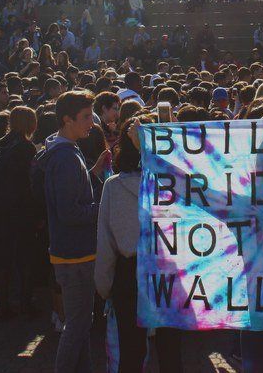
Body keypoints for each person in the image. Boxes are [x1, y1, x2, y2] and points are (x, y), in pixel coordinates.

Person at [95, 114, 182, 372]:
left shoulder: (114, 187)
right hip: (169, 270)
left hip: (129, 273)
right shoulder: (174, 184)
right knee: (170, 352)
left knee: (130, 352)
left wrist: (104, 286)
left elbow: (106, 242)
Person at [41, 90, 98, 373]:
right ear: (67, 119)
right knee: (77, 324)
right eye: (86, 117)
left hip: (73, 250)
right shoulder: (65, 158)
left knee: (81, 322)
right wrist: (102, 208)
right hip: (73, 253)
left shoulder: (65, 150)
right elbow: (70, 212)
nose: (92, 122)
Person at [0, 106, 39, 320]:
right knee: (25, 259)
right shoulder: (26, 148)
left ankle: (3, 304)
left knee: (2, 260)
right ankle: (26, 303)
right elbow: (30, 183)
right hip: (21, 210)